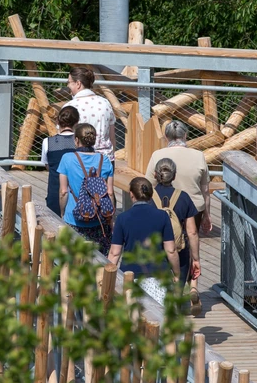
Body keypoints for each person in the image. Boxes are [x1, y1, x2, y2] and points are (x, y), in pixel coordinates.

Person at [108, 177, 178, 303]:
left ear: (131, 194)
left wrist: (107, 277)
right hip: (159, 276)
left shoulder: (122, 218)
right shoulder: (162, 216)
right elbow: (171, 250)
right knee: (160, 319)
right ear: (151, 194)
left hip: (131, 276)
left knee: (132, 318)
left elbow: (115, 253)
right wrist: (177, 274)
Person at [151, 157, 202, 314]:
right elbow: (192, 231)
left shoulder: (147, 196)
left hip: (154, 250)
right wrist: (195, 258)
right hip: (178, 249)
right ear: (174, 176)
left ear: (155, 175)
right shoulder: (184, 197)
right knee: (177, 289)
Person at [148, 120, 212, 237]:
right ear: (185, 135)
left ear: (166, 137)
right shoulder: (199, 156)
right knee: (190, 239)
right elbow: (205, 190)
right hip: (194, 208)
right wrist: (207, 215)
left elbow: (148, 186)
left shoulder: (157, 155)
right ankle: (193, 256)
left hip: (164, 206)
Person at [58, 123, 114, 254]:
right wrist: (110, 219)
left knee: (72, 262)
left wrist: (62, 213)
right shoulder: (104, 160)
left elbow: (63, 192)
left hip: (74, 219)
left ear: (76, 140)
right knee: (99, 263)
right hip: (99, 220)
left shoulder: (67, 158)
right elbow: (110, 193)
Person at [62, 67, 116, 156]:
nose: (68, 86)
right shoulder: (105, 103)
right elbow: (112, 136)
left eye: (69, 82)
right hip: (105, 159)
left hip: (80, 159)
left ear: (78, 83)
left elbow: (64, 138)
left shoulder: (70, 107)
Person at [39, 106, 79, 216]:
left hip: (55, 194)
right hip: (78, 195)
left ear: (57, 121)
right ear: (76, 122)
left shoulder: (47, 142)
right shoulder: (79, 142)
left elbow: (48, 165)